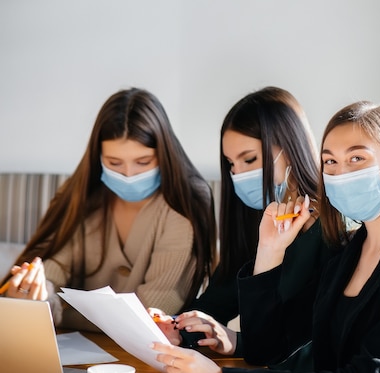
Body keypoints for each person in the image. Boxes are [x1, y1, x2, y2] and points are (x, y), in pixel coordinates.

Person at [151, 101, 380, 373]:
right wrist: (270, 252)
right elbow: (268, 349)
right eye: (329, 161)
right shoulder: (347, 254)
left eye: (356, 158)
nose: (339, 172)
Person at [0, 88, 218, 331]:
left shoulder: (184, 205)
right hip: (69, 345)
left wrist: (60, 311)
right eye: (114, 163)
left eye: (143, 162)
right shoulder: (79, 196)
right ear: (98, 157)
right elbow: (55, 265)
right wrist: (37, 292)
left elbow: (153, 312)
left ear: (164, 155)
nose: (128, 174)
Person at [152, 86, 334, 367]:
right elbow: (217, 303)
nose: (238, 174)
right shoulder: (257, 221)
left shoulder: (333, 229)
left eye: (249, 159)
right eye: (231, 164)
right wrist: (177, 327)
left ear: (290, 147)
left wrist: (236, 340)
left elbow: (307, 342)